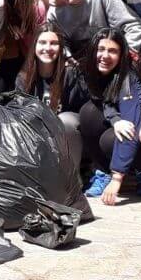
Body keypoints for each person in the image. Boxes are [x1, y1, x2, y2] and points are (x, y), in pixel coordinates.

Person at [79, 27, 141, 206]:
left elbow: (133, 126)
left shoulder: (129, 79)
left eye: (112, 51)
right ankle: (103, 171)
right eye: (101, 49)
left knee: (109, 141)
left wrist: (117, 178)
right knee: (88, 113)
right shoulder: (92, 71)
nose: (105, 56)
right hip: (125, 123)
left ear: (121, 55)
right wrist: (115, 120)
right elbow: (103, 101)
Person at [17, 24, 89, 170]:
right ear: (34, 46)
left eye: (54, 43)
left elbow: (85, 110)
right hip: (38, 135)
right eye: (42, 42)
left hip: (67, 134)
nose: (48, 48)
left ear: (61, 48)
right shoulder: (24, 78)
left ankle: (71, 176)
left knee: (65, 121)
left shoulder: (71, 74)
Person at [0, 0, 42, 91]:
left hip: (41, 60)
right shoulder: (12, 3)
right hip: (26, 58)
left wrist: (25, 72)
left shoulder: (38, 6)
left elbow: (37, 44)